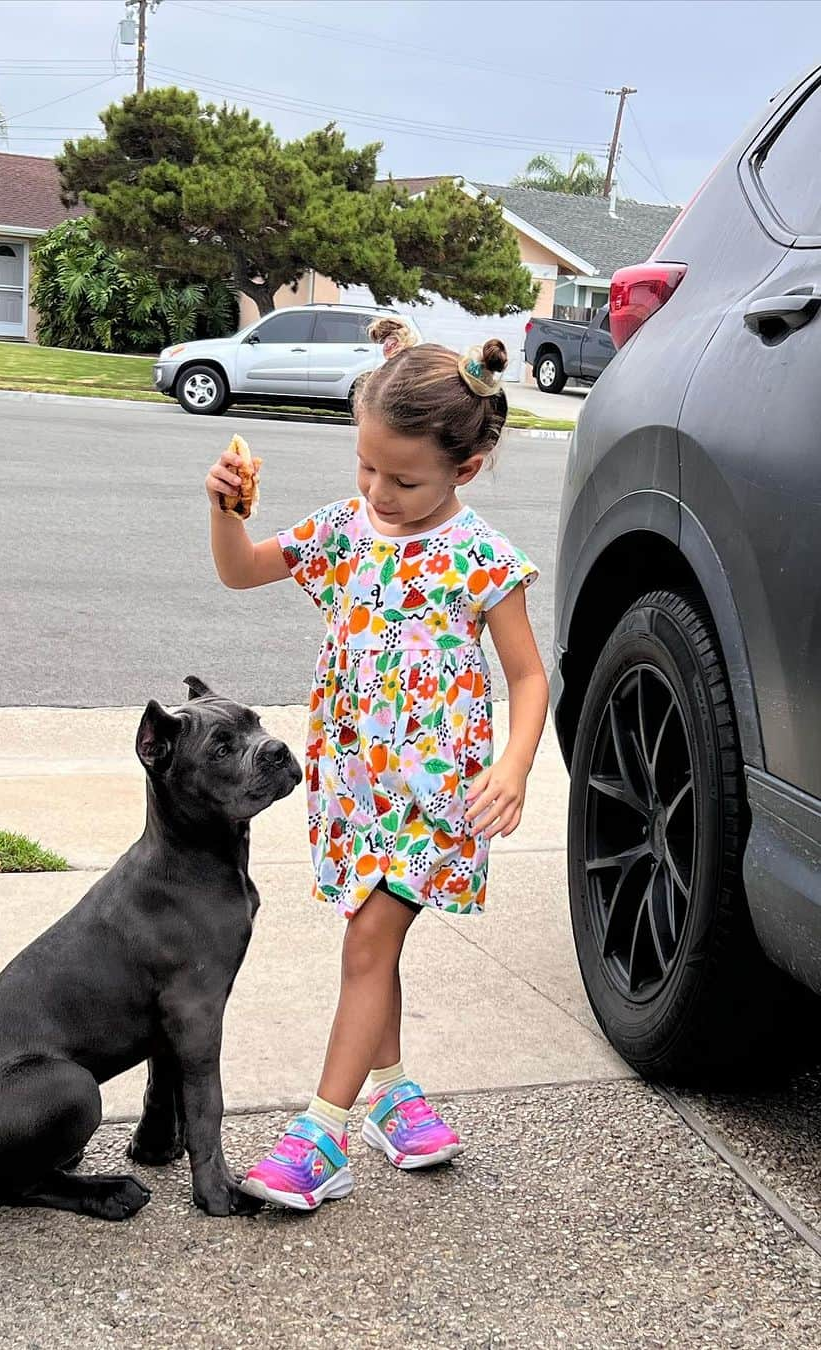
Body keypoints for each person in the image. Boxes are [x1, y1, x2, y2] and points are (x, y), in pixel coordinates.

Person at [204, 338, 548, 1212]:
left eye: (403, 480)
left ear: (466, 467)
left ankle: (320, 1134)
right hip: (352, 783)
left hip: (435, 794)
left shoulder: (481, 557)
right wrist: (226, 512)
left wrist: (514, 764)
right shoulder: (345, 531)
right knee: (370, 943)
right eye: (366, 467)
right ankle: (393, 1095)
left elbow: (529, 676)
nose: (377, 492)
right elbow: (242, 571)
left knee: (367, 945)